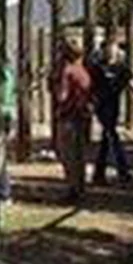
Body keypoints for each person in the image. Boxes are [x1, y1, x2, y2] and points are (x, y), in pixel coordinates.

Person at [90, 39, 133, 186]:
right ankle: (123, 170)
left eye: (113, 50)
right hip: (102, 107)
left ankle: (99, 174)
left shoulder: (122, 68)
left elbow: (131, 84)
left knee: (107, 140)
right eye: (108, 50)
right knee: (112, 135)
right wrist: (91, 102)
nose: (110, 53)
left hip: (114, 106)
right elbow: (90, 87)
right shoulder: (97, 67)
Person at [54, 35, 93, 202]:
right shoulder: (83, 71)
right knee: (79, 155)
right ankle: (80, 188)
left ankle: (72, 189)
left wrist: (55, 84)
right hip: (82, 116)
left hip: (68, 117)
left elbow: (62, 96)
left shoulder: (67, 71)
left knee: (67, 154)